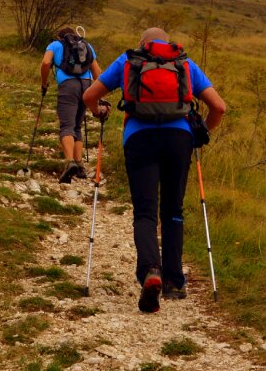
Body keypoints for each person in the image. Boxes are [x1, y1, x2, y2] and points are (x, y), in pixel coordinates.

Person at [83, 27, 226, 313]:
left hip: (139, 138)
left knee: (145, 211)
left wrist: (98, 111)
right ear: (166, 43)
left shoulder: (128, 61)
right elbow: (219, 107)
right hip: (179, 139)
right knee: (173, 210)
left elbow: (90, 95)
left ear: (143, 44)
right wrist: (201, 133)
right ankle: (175, 281)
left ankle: (150, 271)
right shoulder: (184, 63)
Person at [40, 27, 103, 183]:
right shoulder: (86, 46)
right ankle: (80, 164)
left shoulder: (55, 44)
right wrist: (96, 93)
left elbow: (46, 62)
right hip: (87, 85)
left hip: (68, 85)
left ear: (58, 36)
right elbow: (98, 73)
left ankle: (69, 163)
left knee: (67, 125)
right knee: (77, 125)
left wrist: (43, 82)